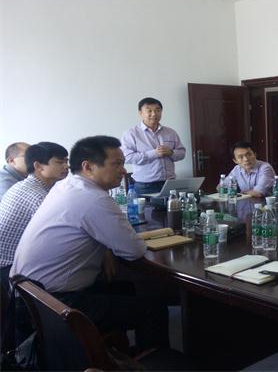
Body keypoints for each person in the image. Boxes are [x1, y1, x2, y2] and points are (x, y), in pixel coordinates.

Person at [10, 135, 169, 349]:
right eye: (117, 164)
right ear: (88, 167)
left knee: (126, 288)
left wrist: (108, 249)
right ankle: (151, 361)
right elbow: (134, 250)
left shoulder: (65, 186)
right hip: (56, 303)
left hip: (29, 296)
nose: (123, 170)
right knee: (153, 308)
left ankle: (116, 353)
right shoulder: (94, 198)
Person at [0, 142, 68, 294]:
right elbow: (58, 237)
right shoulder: (38, 196)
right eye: (59, 162)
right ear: (38, 166)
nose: (66, 166)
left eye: (66, 161)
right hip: (10, 270)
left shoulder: (27, 185)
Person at [121, 97, 186, 194]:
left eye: (157, 110)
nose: (154, 114)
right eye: (149, 111)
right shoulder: (131, 134)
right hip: (145, 185)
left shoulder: (170, 132)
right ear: (140, 113)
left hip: (170, 183)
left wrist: (171, 152)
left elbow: (182, 153)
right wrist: (154, 153)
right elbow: (127, 157)